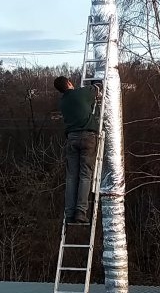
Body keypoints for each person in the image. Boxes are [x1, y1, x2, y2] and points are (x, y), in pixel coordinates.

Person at [54, 76, 100, 223]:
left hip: (71, 139)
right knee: (85, 175)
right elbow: (97, 89)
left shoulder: (62, 102)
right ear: (68, 83)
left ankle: (69, 213)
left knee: (72, 177)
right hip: (87, 137)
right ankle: (80, 212)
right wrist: (97, 84)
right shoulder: (80, 93)